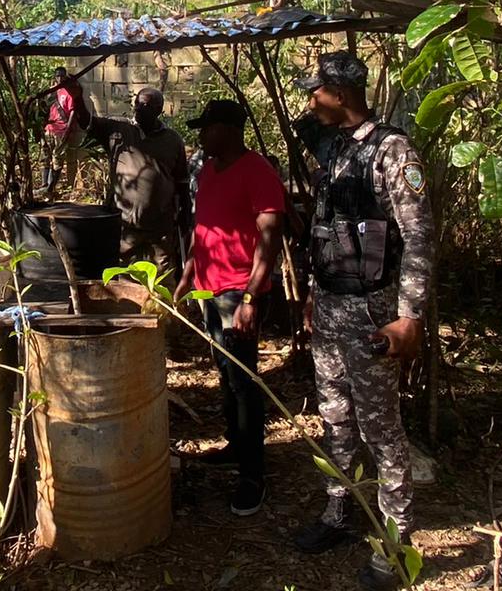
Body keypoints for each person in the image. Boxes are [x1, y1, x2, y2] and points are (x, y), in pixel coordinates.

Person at [289, 52, 433, 591]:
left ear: (341, 94)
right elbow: (324, 227)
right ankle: (340, 513)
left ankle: (395, 542)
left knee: (380, 426)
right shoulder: (336, 150)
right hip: (330, 307)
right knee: (335, 417)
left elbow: (417, 237)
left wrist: (408, 317)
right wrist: (310, 293)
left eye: (316, 92)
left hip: (373, 312)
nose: (311, 102)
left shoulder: (392, 150)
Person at [172, 99, 284, 517]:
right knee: (224, 373)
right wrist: (188, 274)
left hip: (239, 292)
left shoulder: (258, 172)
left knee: (244, 380)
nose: (201, 136)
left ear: (229, 130)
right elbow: (205, 231)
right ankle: (236, 447)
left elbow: (269, 239)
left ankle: (254, 475)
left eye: (207, 128)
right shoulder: (208, 171)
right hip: (209, 288)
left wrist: (252, 297)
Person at [62, 78, 190, 277]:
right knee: (123, 276)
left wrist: (185, 216)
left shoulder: (173, 140)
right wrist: (77, 98)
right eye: (137, 103)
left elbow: (182, 182)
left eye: (145, 105)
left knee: (163, 276)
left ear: (158, 110)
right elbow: (86, 121)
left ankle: (162, 308)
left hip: (160, 226)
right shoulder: (117, 132)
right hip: (124, 225)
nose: (138, 108)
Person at [41, 66, 79, 195]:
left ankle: (51, 188)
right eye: (57, 76)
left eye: (62, 75)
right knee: (45, 157)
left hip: (61, 130)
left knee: (57, 159)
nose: (59, 78)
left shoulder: (68, 92)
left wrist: (68, 128)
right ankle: (44, 185)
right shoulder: (51, 91)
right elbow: (44, 110)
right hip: (49, 129)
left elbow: (73, 110)